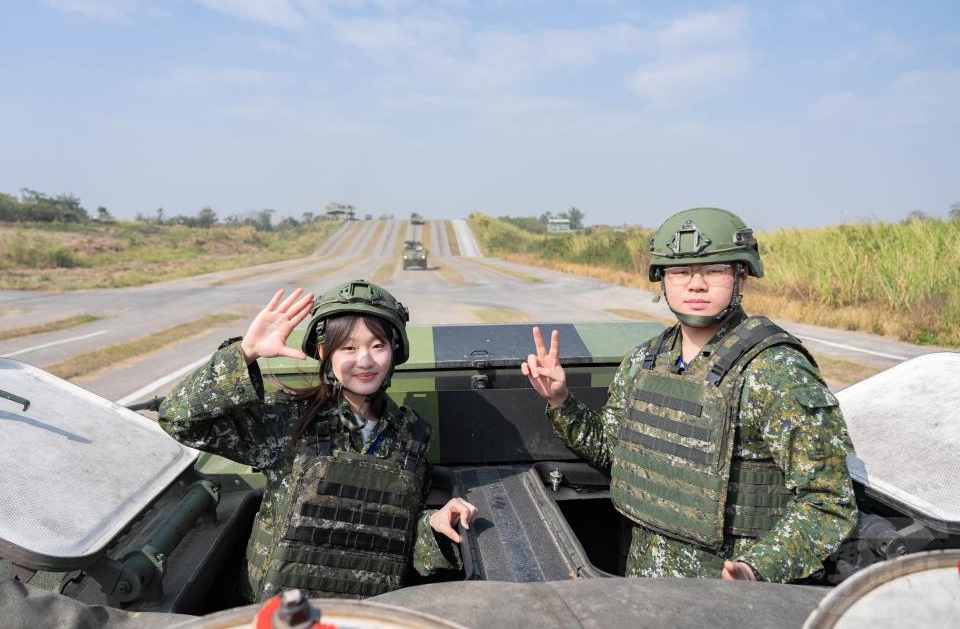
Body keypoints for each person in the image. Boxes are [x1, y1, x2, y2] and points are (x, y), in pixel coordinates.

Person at [522, 208, 857, 583]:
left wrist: (757, 569)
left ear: (741, 276)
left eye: (714, 271)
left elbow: (829, 503)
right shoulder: (645, 361)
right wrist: (560, 400)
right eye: (680, 272)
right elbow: (615, 454)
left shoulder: (775, 372)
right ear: (662, 281)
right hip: (645, 587)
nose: (696, 285)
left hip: (728, 598)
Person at [159, 279, 477, 602]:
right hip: (280, 616)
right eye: (349, 348)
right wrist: (245, 354)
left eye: (377, 345)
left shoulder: (411, 436)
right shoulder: (289, 421)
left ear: (394, 350)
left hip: (364, 618)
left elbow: (399, 539)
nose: (365, 360)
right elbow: (179, 420)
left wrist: (433, 524)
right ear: (325, 353)